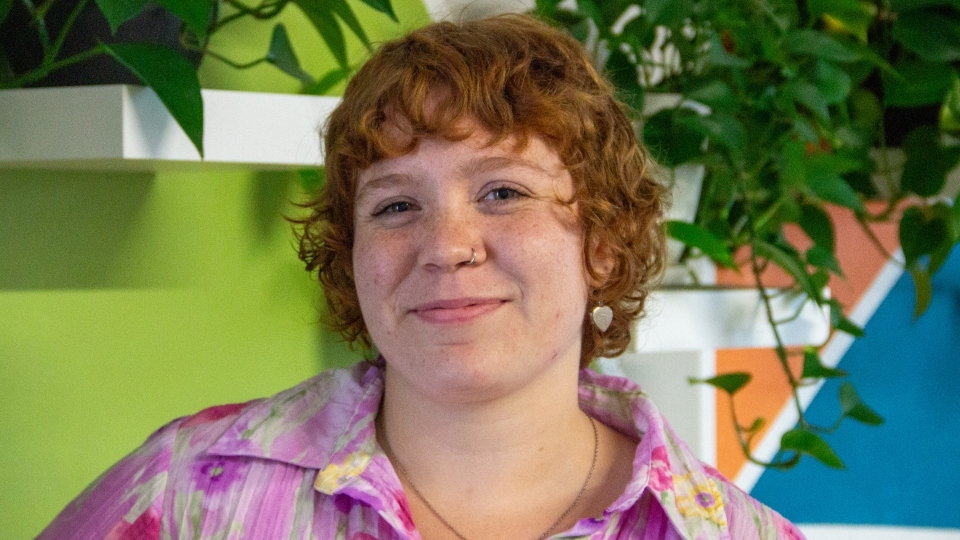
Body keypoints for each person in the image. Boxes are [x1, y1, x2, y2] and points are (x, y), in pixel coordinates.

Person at [39, 14, 805, 540]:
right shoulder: (185, 489)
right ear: (350, 253)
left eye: (503, 192)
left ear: (602, 241)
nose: (447, 246)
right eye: (397, 205)